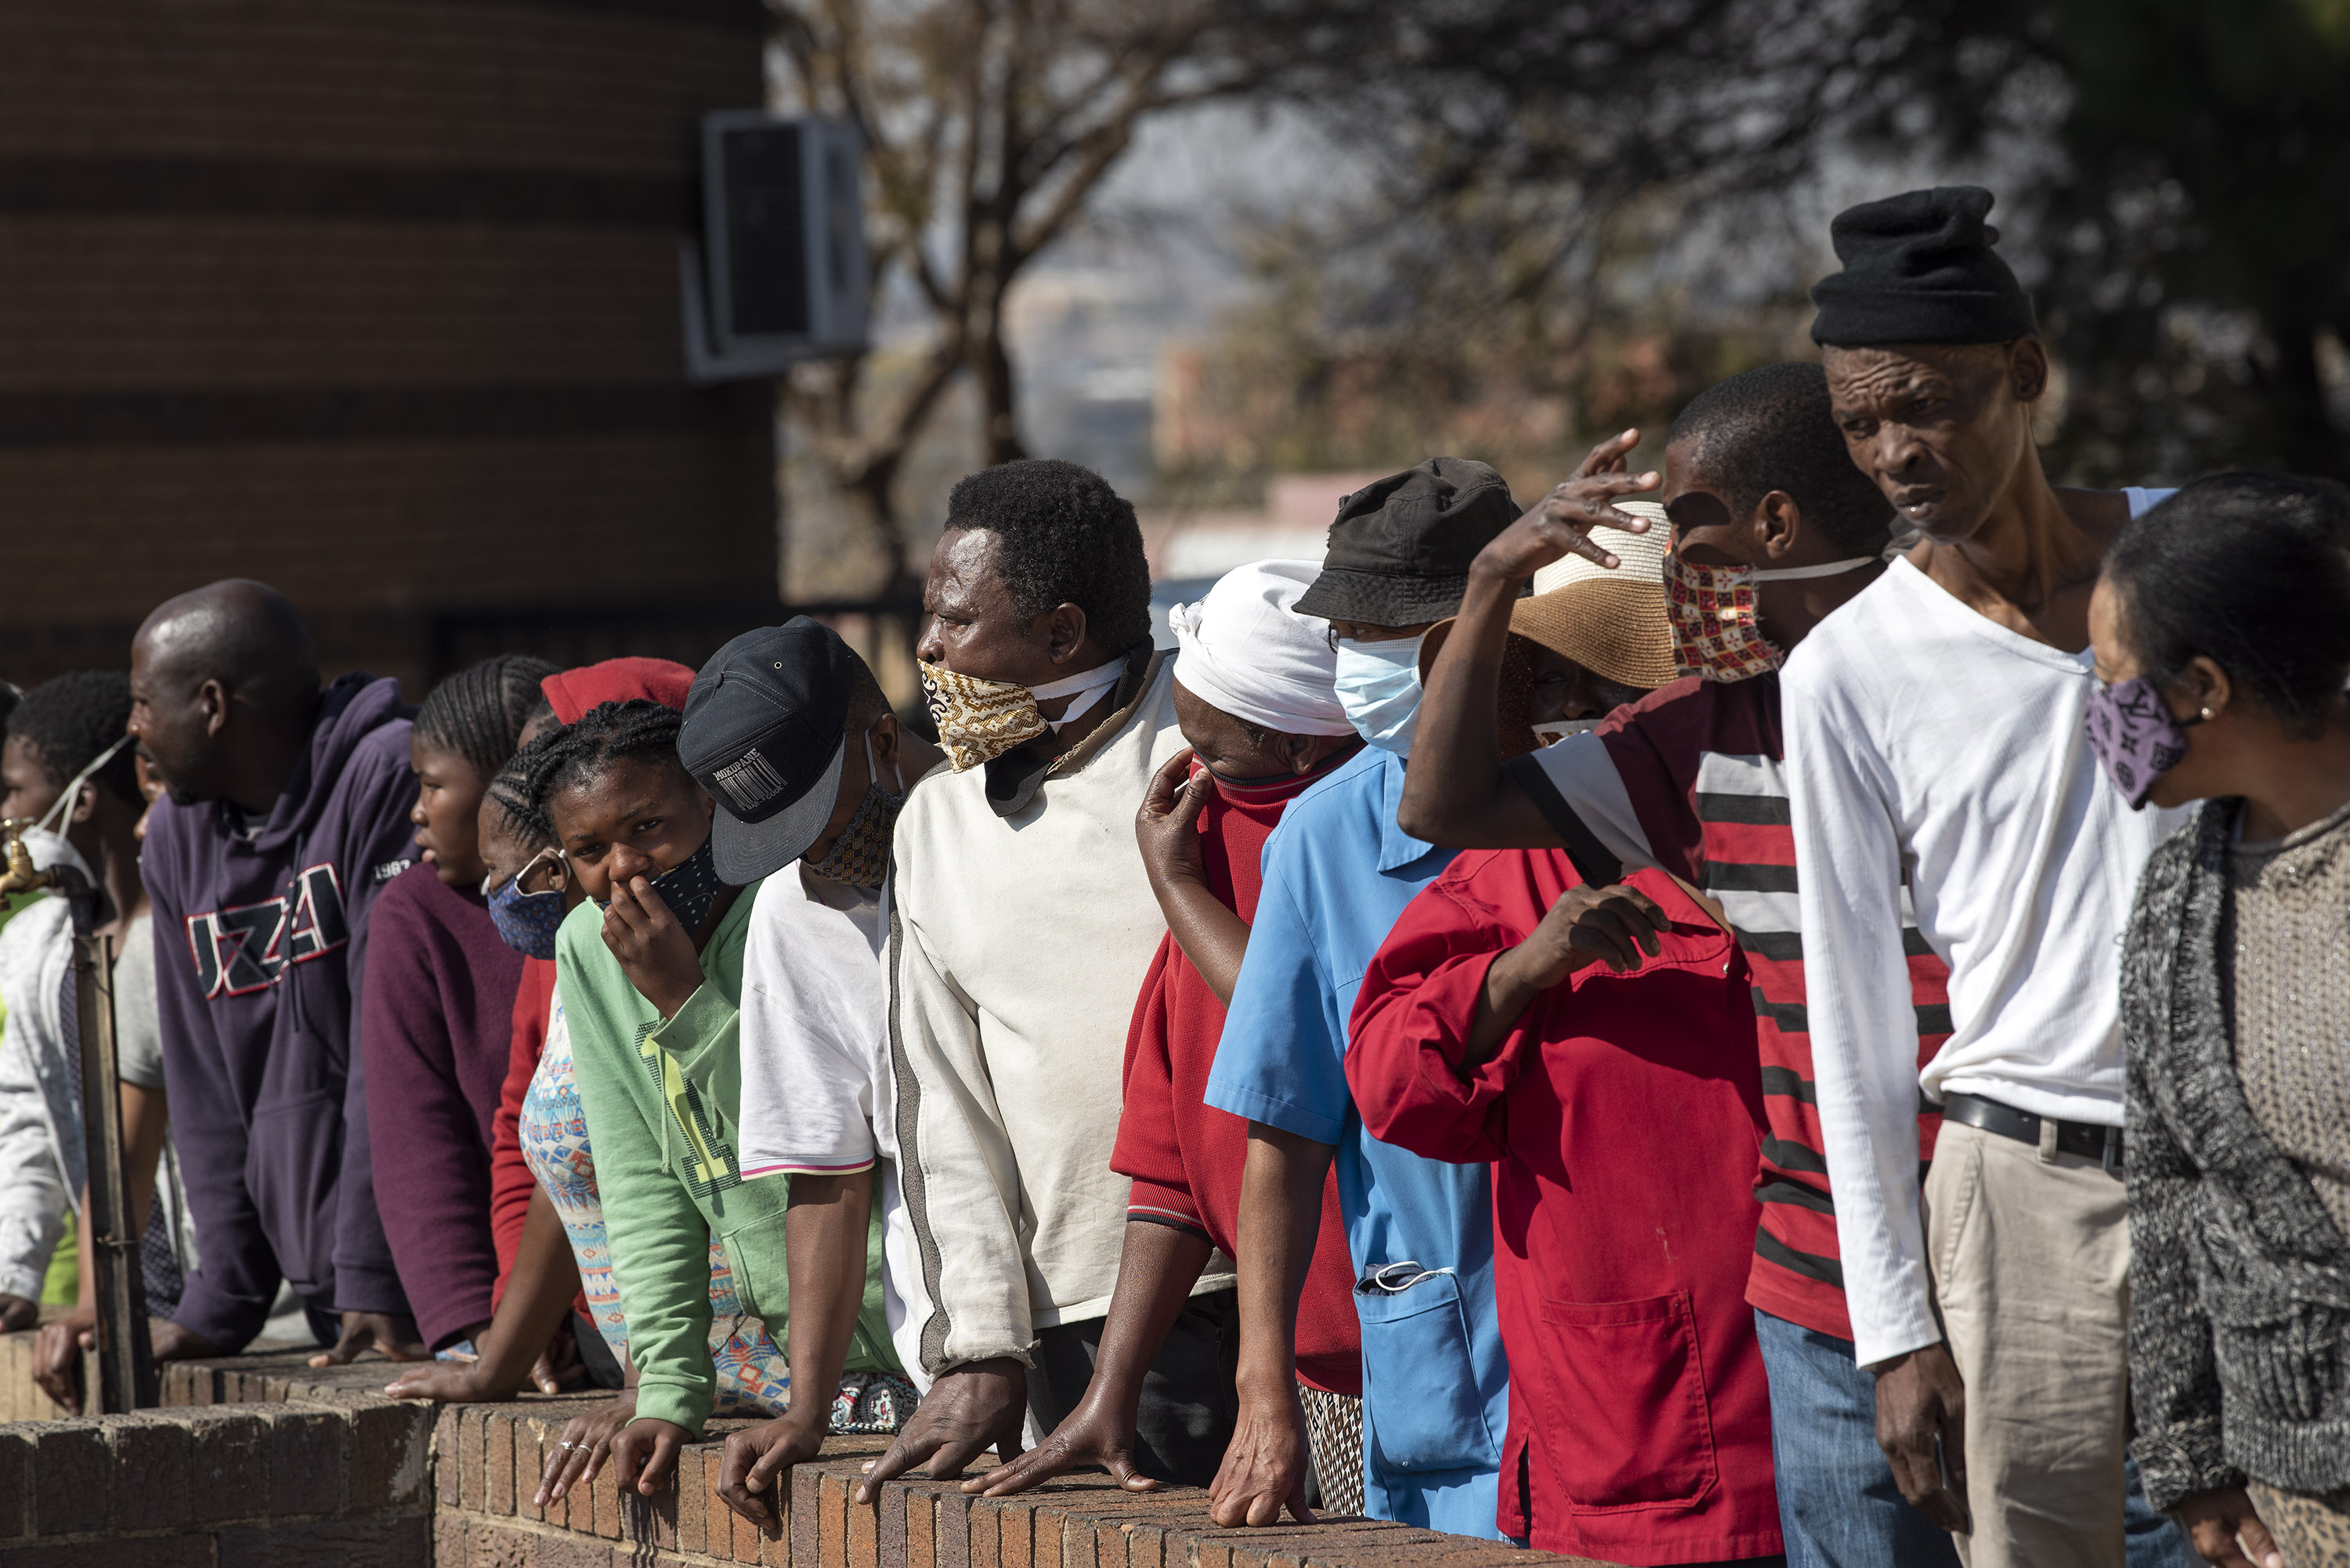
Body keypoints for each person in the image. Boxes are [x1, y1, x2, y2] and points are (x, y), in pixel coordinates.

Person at [1398, 365, 1968, 1567]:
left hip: (1996, 1247)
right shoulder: (1700, 735)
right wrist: (1498, 576)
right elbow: (1441, 802)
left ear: (1774, 527)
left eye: (1692, 520)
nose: (1676, 559)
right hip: (1819, 1289)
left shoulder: (1978, 685)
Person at [1784, 186, 2191, 1566]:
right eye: (1858, 422)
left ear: (2024, 374)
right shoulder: (1847, 668)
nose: (1895, 451)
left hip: (2247, 1169)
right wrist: (1894, 1325)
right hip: (2024, 1190)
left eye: (1926, 404)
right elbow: (1851, 1017)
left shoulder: (2194, 558)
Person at [859, 458, 1231, 1503]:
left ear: (1063, 636)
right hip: (1082, 1317)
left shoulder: (1211, 749)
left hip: (1267, 1279)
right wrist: (977, 1342)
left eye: (954, 620)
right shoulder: (937, 821)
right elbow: (939, 1110)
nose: (928, 649)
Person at [963, 560, 1368, 1512]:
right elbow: (1173, 1164)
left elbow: (1310, 1030)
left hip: (1400, 1344)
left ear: (1301, 747)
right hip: (1297, 1364)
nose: (1185, 778)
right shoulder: (1202, 836)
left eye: (1215, 753)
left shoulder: (1353, 840)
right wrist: (1111, 1387)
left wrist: (1177, 886)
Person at [1199, 458, 1526, 1534]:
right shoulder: (1326, 836)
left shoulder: (1608, 795)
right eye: (1340, 638)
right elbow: (1282, 1132)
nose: (1352, 667)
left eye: (1378, 641)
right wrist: (1264, 1393)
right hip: (1445, 1361)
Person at [532, 699, 899, 1499]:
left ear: (709, 804)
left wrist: (683, 1000)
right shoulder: (586, 951)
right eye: (590, 851)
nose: (624, 868)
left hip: (909, 1313)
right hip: (800, 1364)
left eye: (648, 827)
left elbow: (813, 1136)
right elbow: (641, 1181)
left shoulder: (792, 901)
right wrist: (666, 1390)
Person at [2090, 475, 2350, 1568]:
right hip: (2291, 1490)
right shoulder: (2176, 901)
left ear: (2201, 687)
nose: (2097, 718)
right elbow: (2169, 1185)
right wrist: (2192, 1456)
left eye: (2111, 684)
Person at [660, 620, 940, 1528]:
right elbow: (826, 1168)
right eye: (778, 834)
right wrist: (806, 1406)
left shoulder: (1008, 838)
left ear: (885, 742)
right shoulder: (791, 911)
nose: (811, 854)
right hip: (949, 1350)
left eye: (817, 818)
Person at [130, 580, 425, 1367]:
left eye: (142, 703)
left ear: (213, 704)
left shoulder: (385, 776)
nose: (133, 728)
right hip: (334, 1298)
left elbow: (392, 1049)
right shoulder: (174, 836)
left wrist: (375, 1271)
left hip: (427, 1285)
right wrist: (223, 1299)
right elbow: (202, 1085)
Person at [0, 674, 199, 1411]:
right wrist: (16, 1272)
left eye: (17, 791)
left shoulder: (180, 934)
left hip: (222, 1298)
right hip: (111, 1300)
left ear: (80, 798)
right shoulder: (33, 947)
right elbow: (26, 1114)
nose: (8, 814)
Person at [363, 654, 556, 1355]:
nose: (415, 812)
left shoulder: (600, 900)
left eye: (433, 786)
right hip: (498, 1309)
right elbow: (418, 1136)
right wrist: (479, 1326)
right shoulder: (414, 912)